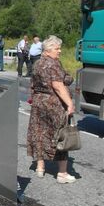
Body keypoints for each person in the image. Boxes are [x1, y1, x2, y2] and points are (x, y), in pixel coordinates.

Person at [26, 35, 77, 184]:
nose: (59, 51)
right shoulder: (53, 64)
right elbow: (58, 86)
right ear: (48, 50)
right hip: (54, 103)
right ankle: (62, 173)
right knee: (61, 135)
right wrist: (70, 104)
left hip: (39, 102)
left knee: (39, 133)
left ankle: (40, 167)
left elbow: (33, 85)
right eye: (57, 48)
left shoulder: (38, 63)